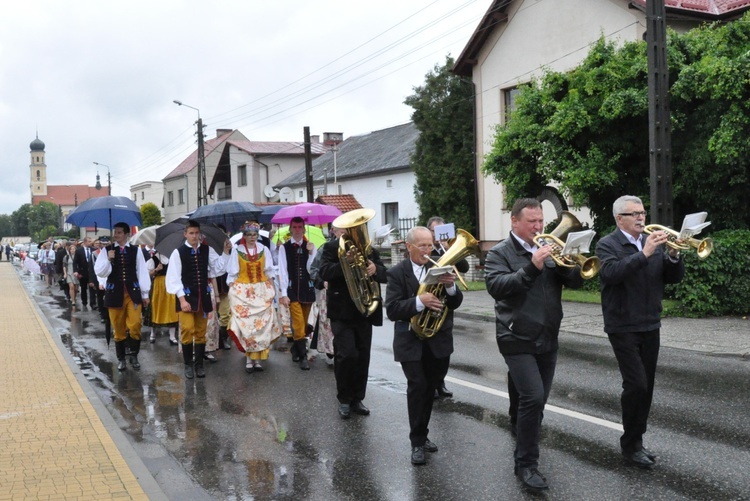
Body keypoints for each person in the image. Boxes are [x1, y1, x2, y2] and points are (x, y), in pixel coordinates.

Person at [484, 198, 584, 491]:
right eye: (532, 222)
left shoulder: (551, 249)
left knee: (533, 403)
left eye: (541, 221)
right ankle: (526, 465)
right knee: (533, 397)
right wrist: (532, 266)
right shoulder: (499, 253)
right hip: (515, 336)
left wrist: (571, 261)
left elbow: (577, 282)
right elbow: (497, 287)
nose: (539, 227)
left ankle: (519, 425)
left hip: (548, 335)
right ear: (514, 221)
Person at [595, 195, 685, 469]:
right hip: (622, 324)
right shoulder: (607, 244)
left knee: (647, 388)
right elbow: (611, 274)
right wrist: (643, 253)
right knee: (636, 384)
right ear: (619, 219)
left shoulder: (655, 243)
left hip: (649, 322)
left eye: (642, 213)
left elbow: (672, 278)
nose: (641, 218)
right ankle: (629, 444)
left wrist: (673, 256)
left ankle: (637, 442)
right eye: (634, 214)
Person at [385, 226, 462, 466]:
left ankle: (423, 432)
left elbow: (456, 302)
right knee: (417, 386)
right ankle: (416, 442)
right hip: (410, 339)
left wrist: (450, 286)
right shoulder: (397, 273)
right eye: (423, 246)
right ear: (409, 247)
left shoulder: (439, 267)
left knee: (430, 388)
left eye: (430, 245)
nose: (428, 250)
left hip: (437, 340)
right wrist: (420, 301)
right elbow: (393, 309)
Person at [319, 217, 387, 419]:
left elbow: (384, 274)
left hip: (365, 309)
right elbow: (324, 272)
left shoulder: (369, 250)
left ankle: (358, 398)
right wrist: (345, 263)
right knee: (346, 354)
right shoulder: (331, 248)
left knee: (362, 355)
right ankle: (344, 399)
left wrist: (376, 269)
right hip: (342, 311)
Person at [166, 219, 231, 379]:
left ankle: (199, 365)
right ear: (185, 234)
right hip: (186, 298)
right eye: (191, 233)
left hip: (203, 298)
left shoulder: (207, 250)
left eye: (196, 233)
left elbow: (218, 269)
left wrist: (225, 252)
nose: (194, 236)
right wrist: (182, 299)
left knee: (202, 332)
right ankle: (188, 364)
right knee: (187, 330)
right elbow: (173, 279)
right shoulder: (178, 252)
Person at [95, 223, 151, 372]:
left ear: (126, 234)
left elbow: (142, 271)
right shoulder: (107, 251)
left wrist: (145, 294)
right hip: (115, 294)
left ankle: (134, 355)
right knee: (118, 327)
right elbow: (100, 272)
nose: (116, 235)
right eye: (115, 232)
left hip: (132, 293)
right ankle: (121, 358)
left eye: (119, 232)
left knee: (135, 325)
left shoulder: (135, 251)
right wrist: (108, 260)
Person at [226, 222, 281, 373]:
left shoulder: (264, 250)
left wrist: (273, 287)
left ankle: (257, 359)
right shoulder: (237, 251)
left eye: (254, 235)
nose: (252, 237)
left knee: (261, 326)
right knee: (248, 326)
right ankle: (249, 359)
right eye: (249, 235)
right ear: (244, 236)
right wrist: (232, 289)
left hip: (261, 291)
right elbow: (232, 273)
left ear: (258, 235)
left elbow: (269, 270)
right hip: (243, 292)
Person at [426, 216, 470, 399]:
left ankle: (441, 382)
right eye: (436, 231)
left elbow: (465, 267)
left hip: (446, 302)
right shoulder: (425, 249)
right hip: (428, 300)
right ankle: (431, 383)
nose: (439, 236)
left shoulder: (450, 248)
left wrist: (450, 248)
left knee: (444, 349)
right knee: (430, 349)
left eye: (442, 231)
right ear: (430, 232)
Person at [277, 216, 318, 370]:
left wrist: (311, 253)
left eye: (300, 227)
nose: (297, 230)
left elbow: (311, 270)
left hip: (307, 289)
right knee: (299, 323)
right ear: (290, 228)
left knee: (303, 322)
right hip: (292, 289)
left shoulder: (310, 246)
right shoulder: (284, 247)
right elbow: (282, 270)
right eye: (294, 227)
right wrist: (284, 293)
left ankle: (296, 348)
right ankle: (303, 357)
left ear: (304, 228)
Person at [146, 250, 179, 345]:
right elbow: (148, 273)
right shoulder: (154, 259)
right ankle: (152, 334)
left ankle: (172, 336)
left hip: (169, 284)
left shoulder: (171, 258)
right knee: (156, 308)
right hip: (158, 285)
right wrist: (156, 269)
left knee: (171, 309)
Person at [73, 237, 97, 309]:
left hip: (91, 272)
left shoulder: (93, 250)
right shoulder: (79, 250)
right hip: (83, 272)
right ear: (85, 242)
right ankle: (84, 302)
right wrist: (75, 271)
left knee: (92, 287)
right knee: (83, 288)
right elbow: (75, 262)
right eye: (89, 241)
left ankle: (93, 303)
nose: (90, 243)